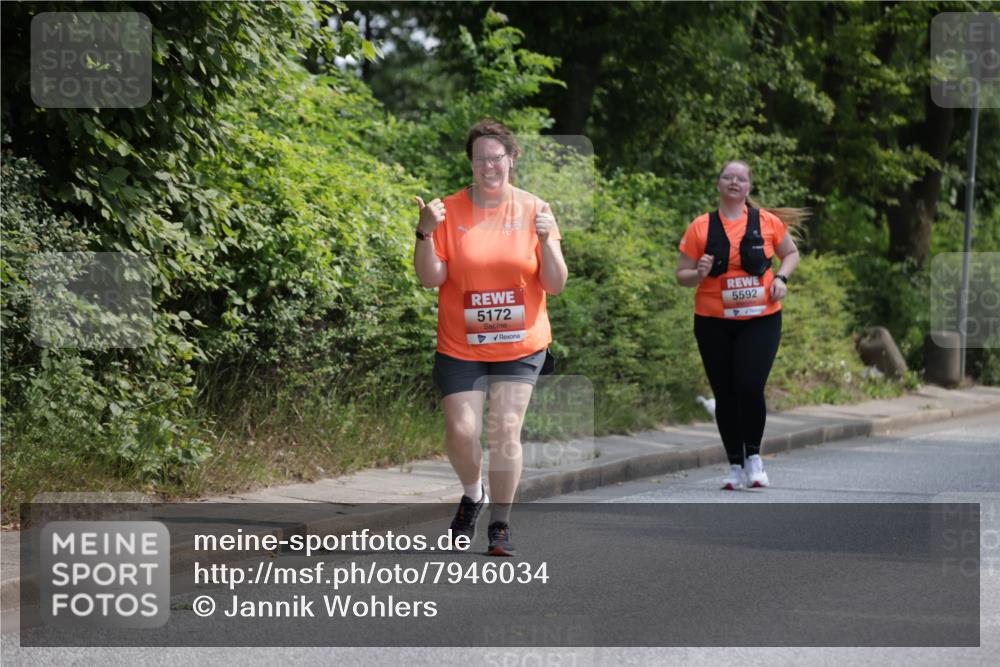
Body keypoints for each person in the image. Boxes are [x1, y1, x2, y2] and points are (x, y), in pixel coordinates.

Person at [413, 119, 568, 555]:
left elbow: (555, 284)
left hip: (520, 345)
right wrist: (424, 231)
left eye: (496, 158)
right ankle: (472, 493)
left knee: (504, 431)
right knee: (462, 431)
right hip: (461, 343)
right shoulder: (447, 210)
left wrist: (549, 242)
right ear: (471, 163)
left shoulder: (536, 208)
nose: (488, 166)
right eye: (480, 159)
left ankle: (499, 523)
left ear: (512, 159)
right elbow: (430, 278)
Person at [676, 159, 805, 490]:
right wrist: (700, 273)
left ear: (749, 188)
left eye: (741, 179)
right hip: (712, 322)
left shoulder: (767, 222)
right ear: (718, 184)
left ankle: (754, 458)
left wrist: (781, 278)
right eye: (727, 177)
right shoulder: (700, 227)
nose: (734, 182)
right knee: (725, 393)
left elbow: (791, 254)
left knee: (749, 385)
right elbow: (682, 276)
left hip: (761, 318)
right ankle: (734, 464)